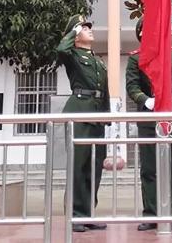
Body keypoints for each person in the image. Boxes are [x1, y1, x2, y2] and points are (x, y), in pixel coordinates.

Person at [126, 17, 172, 232]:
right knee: (149, 168)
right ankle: (151, 214)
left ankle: (170, 213)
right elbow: (132, 86)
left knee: (170, 168)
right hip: (148, 116)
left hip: (170, 115)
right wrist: (146, 100)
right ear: (140, 34)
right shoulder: (135, 58)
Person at [57, 14, 109, 232]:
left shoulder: (97, 59)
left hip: (97, 116)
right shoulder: (72, 55)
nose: (89, 30)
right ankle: (75, 215)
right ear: (77, 35)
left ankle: (87, 213)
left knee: (94, 168)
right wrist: (73, 31)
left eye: (88, 27)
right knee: (78, 166)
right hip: (79, 113)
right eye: (84, 28)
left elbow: (104, 90)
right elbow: (61, 49)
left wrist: (106, 116)